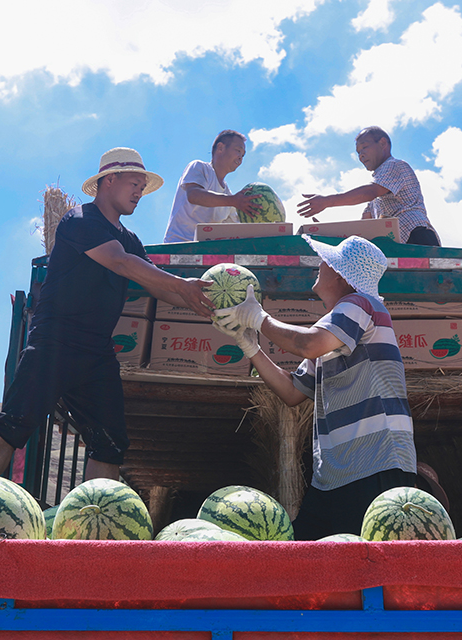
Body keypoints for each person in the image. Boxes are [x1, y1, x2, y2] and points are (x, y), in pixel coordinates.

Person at [0, 147, 214, 481]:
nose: (139, 193)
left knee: (109, 444)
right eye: (134, 184)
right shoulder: (80, 220)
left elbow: (156, 286)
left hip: (97, 353)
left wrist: (204, 304)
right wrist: (182, 284)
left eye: (142, 187)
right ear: (109, 180)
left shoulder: (131, 240)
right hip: (55, 343)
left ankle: (97, 515)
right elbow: (120, 262)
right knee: (13, 425)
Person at [214, 235, 417, 539]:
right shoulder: (335, 331)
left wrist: (258, 318)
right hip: (336, 475)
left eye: (327, 261)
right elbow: (292, 392)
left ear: (339, 275)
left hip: (375, 464)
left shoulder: (360, 304)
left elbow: (307, 344)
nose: (320, 264)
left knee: (360, 561)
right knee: (306, 553)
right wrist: (250, 347)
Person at [297, 126, 441, 246]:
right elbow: (364, 226)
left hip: (417, 237)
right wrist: (328, 233)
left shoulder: (394, 166)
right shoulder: (376, 200)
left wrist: (327, 201)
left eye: (365, 147)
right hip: (399, 246)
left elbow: (369, 192)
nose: (361, 155)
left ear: (382, 143)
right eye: (358, 152)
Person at [163, 129, 260, 243]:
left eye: (243, 155)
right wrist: (233, 200)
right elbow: (194, 195)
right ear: (220, 148)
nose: (240, 157)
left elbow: (235, 230)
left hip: (204, 251)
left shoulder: (229, 196)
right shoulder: (199, 167)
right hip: (177, 246)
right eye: (238, 151)